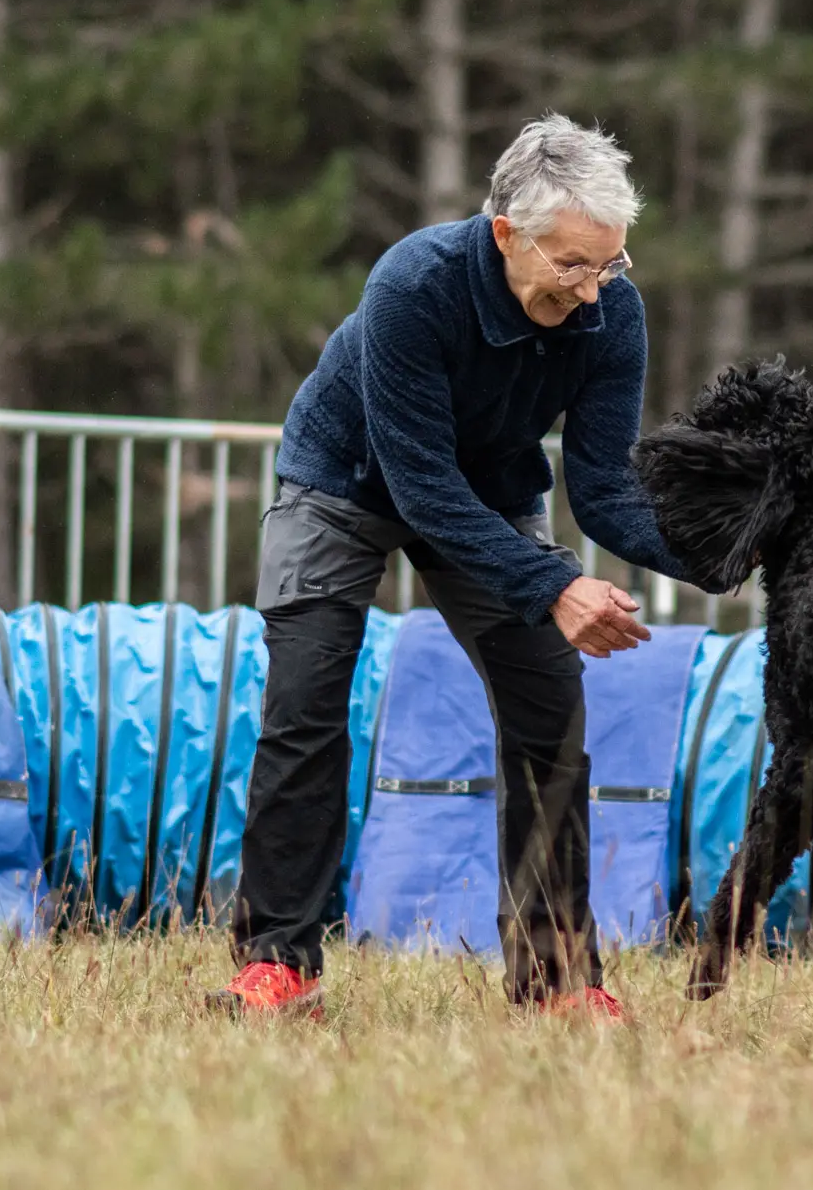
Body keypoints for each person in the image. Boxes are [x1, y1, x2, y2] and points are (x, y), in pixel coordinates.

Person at [207, 114, 705, 1021]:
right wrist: (555, 584)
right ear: (506, 233)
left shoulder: (610, 314)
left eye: (611, 265)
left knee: (551, 710)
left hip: (491, 496)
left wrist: (724, 554)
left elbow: (601, 490)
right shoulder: (415, 282)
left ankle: (555, 979)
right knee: (306, 702)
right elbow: (421, 484)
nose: (593, 292)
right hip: (345, 480)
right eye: (572, 265)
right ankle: (280, 963)